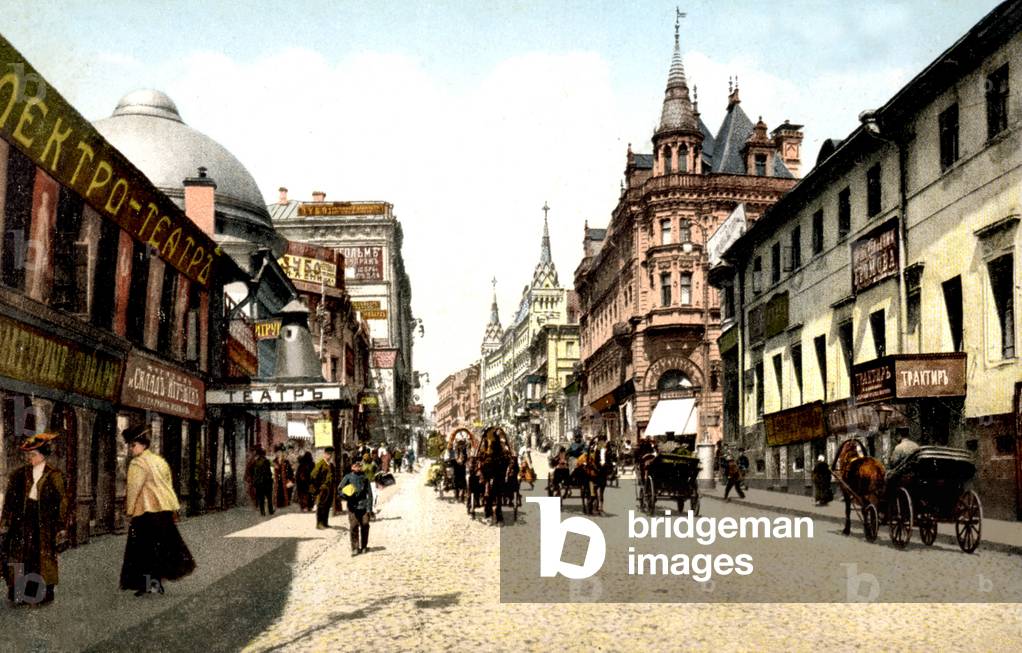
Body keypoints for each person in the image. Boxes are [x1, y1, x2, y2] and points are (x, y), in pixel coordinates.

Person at [120, 425, 195, 596]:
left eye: (133, 445)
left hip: (145, 512)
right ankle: (154, 584)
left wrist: (129, 511)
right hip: (163, 511)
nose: (131, 449)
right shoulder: (160, 461)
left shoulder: (137, 464)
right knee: (159, 549)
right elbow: (167, 485)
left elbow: (134, 489)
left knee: (143, 550)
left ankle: (150, 585)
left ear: (142, 444)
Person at [1, 432, 67, 606]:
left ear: (43, 455)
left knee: (40, 559)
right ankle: (19, 594)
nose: (30, 458)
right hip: (22, 522)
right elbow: (9, 502)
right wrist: (5, 522)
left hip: (43, 524)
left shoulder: (54, 475)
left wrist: (60, 525)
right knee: (20, 557)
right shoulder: (19, 474)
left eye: (33, 454)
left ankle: (41, 595)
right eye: (29, 455)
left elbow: (62, 502)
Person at [338, 461, 374, 556]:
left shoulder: (365, 477)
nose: (358, 467)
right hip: (352, 506)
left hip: (364, 506)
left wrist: (369, 508)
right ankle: (355, 548)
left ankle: (364, 546)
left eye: (359, 466)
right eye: (356, 466)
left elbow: (369, 494)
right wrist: (347, 496)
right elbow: (340, 490)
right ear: (352, 467)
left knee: (365, 524)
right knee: (353, 526)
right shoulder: (348, 477)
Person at [310, 447, 336, 529]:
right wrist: (319, 487)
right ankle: (319, 524)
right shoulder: (320, 464)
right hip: (322, 489)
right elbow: (313, 475)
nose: (330, 456)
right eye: (328, 454)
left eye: (331, 454)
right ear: (324, 454)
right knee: (321, 506)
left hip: (329, 489)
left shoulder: (331, 465)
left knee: (327, 505)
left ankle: (325, 523)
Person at [250, 446, 273, 516]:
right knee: (269, 497)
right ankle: (270, 510)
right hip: (266, 482)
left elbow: (253, 472)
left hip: (259, 483)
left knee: (261, 498)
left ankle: (262, 512)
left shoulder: (255, 462)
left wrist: (255, 481)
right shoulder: (266, 461)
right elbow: (268, 472)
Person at [273, 445, 294, 509]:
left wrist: (290, 479)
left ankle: (284, 503)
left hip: (284, 479)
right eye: (277, 452)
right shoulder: (274, 461)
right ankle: (278, 504)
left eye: (280, 452)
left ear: (282, 453)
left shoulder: (286, 461)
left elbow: (290, 471)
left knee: (284, 491)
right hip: (277, 480)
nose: (279, 454)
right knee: (278, 491)